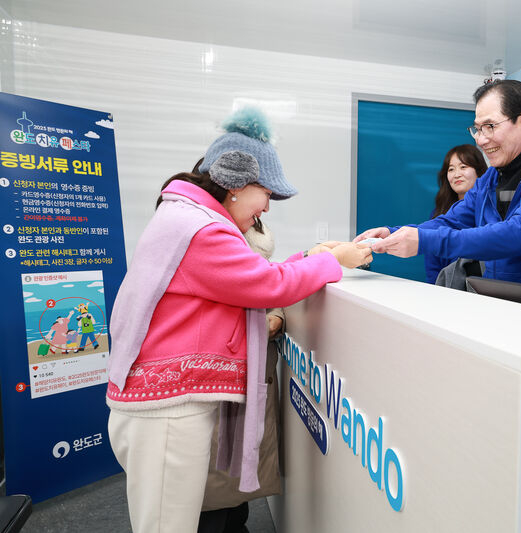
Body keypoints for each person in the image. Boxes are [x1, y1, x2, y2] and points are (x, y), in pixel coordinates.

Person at [106, 107, 372, 533]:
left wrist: (308, 257)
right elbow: (267, 285)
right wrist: (333, 262)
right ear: (235, 183)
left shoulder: (187, 218)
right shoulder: (202, 229)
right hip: (167, 412)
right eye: (266, 193)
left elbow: (245, 277)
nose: (267, 206)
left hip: (165, 405)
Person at [356, 80, 521, 293]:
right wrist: (392, 232)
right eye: (477, 129)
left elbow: (517, 234)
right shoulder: (489, 180)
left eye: (490, 126)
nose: (481, 140)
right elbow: (450, 221)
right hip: (505, 309)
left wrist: (424, 240)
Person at [197, 225, 285, 533]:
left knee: (234, 484)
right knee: (213, 485)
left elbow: (271, 290)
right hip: (213, 387)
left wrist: (276, 317)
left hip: (245, 386)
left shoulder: (248, 265)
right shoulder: (205, 257)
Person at [424, 144, 487, 283]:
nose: (457, 174)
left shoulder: (490, 210)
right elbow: (432, 268)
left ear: (479, 171)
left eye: (463, 167)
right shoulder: (439, 213)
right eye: (451, 169)